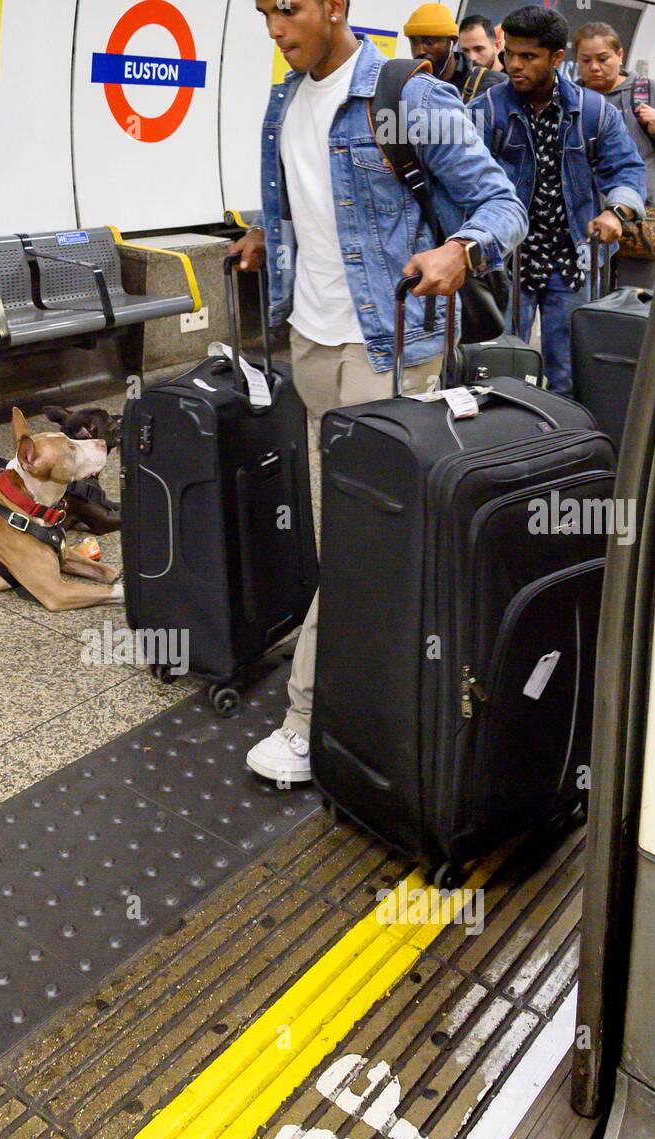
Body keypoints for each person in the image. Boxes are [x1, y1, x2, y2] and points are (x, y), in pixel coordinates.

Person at [235, 0, 527, 787]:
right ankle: (394, 684)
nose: (273, 28)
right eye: (263, 12)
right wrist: (271, 238)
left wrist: (461, 248)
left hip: (390, 351)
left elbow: (503, 204)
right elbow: (309, 208)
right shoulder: (281, 101)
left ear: (335, 6)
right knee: (355, 538)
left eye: (287, 9)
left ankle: (306, 720)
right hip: (309, 342)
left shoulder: (408, 96)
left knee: (362, 543)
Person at [471, 8, 647, 395]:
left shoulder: (594, 112)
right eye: (510, 55)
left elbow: (628, 171)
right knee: (499, 367)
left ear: (556, 59)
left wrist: (616, 211)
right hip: (507, 260)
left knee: (568, 372)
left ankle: (562, 445)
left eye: (529, 56)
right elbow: (460, 179)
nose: (515, 65)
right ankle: (502, 445)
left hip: (573, 256)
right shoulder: (486, 111)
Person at [574, 21, 655, 291]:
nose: (594, 67)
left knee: (636, 304)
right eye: (586, 60)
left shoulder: (647, 92)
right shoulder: (570, 99)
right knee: (590, 305)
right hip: (587, 223)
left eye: (603, 58)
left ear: (620, 56)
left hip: (642, 224)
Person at [403, 3, 505, 102]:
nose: (420, 51)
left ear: (452, 41)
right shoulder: (407, 81)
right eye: (414, 43)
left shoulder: (495, 85)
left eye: (430, 43)